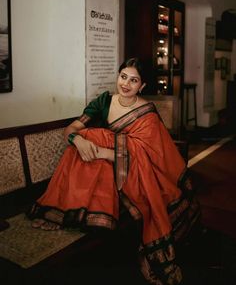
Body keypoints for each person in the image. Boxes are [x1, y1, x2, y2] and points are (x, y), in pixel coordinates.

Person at [27, 57, 200, 285]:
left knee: (94, 138)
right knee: (86, 136)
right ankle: (75, 209)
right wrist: (77, 140)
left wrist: (101, 152)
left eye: (134, 80)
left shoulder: (146, 112)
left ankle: (75, 209)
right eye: (123, 77)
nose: (126, 84)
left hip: (138, 171)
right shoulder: (105, 102)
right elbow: (72, 128)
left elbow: (149, 154)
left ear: (143, 86)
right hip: (111, 168)